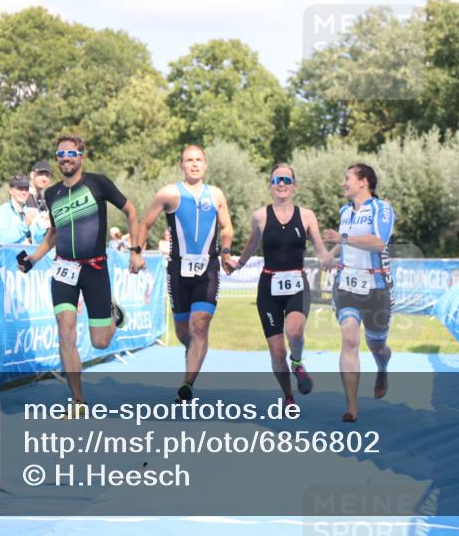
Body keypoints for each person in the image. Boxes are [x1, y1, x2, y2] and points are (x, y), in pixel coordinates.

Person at [19, 135, 145, 414]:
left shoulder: (98, 183)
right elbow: (54, 232)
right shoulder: (51, 194)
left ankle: (110, 310)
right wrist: (33, 258)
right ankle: (78, 402)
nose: (65, 157)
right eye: (60, 153)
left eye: (71, 153)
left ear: (81, 156)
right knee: (66, 333)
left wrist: (135, 250)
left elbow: (131, 210)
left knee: (101, 341)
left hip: (95, 269)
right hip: (64, 269)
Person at [139, 145, 236, 403]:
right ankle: (194, 355)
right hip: (178, 270)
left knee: (200, 325)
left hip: (209, 268)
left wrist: (225, 252)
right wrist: (136, 252)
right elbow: (145, 223)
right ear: (181, 164)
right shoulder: (168, 193)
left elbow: (227, 227)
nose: (194, 164)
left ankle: (187, 384)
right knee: (184, 332)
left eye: (199, 160)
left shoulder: (216, 194)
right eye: (189, 160)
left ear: (205, 164)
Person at [234, 164, 333, 406]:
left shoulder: (308, 216)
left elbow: (321, 251)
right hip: (268, 289)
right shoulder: (260, 216)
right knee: (277, 352)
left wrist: (334, 259)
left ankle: (297, 363)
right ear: (270, 185)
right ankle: (288, 396)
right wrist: (238, 264)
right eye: (277, 179)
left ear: (294, 186)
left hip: (297, 284)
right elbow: (251, 245)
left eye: (287, 180)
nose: (282, 183)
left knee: (295, 331)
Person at [322, 163, 395, 423]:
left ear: (363, 181)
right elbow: (346, 242)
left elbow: (378, 242)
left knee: (377, 345)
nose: (343, 183)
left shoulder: (382, 209)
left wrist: (341, 239)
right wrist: (330, 255)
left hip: (376, 287)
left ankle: (383, 367)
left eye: (347, 178)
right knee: (350, 340)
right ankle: (351, 407)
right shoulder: (344, 211)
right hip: (346, 285)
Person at [0, 174, 44, 244]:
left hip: (29, 254)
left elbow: (38, 241)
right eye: (20, 189)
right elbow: (1, 239)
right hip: (8, 255)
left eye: (26, 189)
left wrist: (44, 228)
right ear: (11, 191)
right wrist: (25, 224)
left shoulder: (30, 212)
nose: (24, 192)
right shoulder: (1, 212)